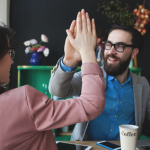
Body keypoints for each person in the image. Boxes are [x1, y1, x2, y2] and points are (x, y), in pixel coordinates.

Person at [0, 10, 105, 150]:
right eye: (10, 52)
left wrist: (71, 59)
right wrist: (87, 52)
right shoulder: (21, 101)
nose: (12, 60)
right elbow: (90, 104)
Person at [49, 11, 150, 141]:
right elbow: (57, 91)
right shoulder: (89, 77)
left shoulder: (142, 85)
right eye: (108, 44)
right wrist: (69, 60)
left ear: (134, 52)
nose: (111, 52)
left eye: (120, 46)